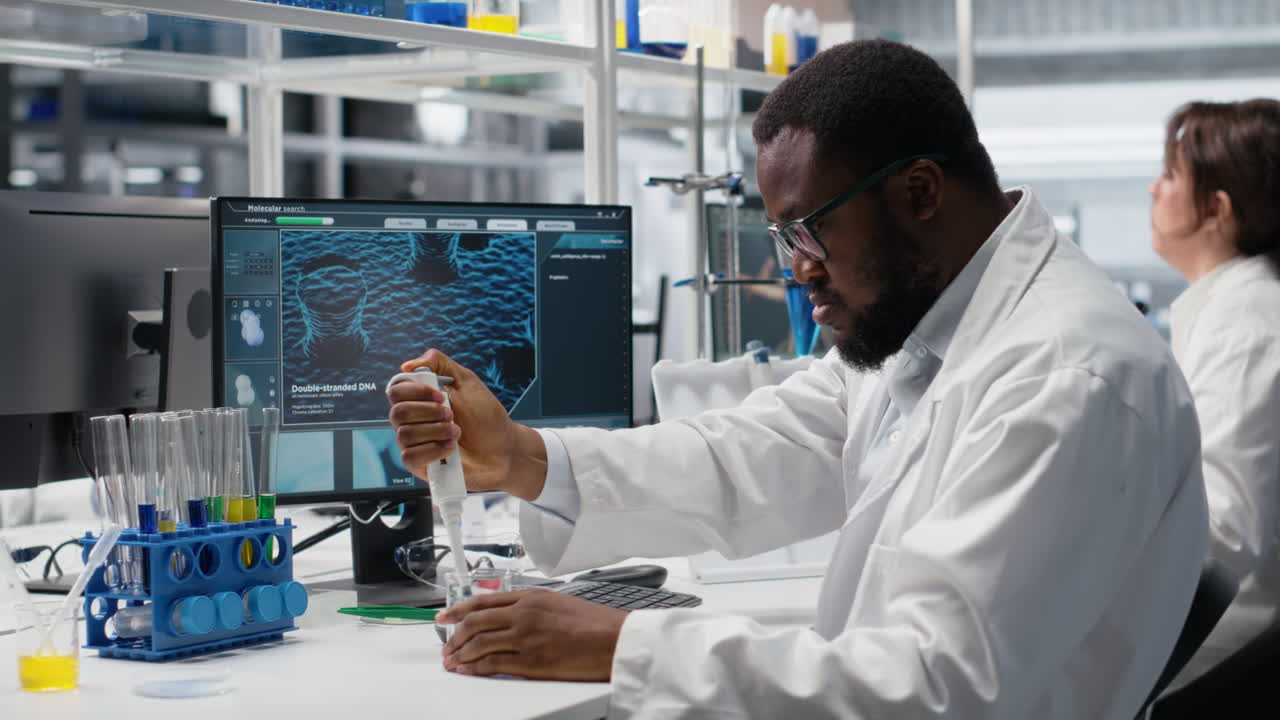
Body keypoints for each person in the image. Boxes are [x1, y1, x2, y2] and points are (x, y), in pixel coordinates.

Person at [388, 40, 1208, 718]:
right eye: (783, 237)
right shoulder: (931, 327)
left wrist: (618, 645)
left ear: (919, 191)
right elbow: (751, 451)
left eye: (810, 230)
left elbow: (942, 688)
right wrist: (523, 457)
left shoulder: (1069, 376)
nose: (799, 270)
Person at [1148, 99, 1280, 719]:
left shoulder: (1250, 322)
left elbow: (1224, 533)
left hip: (1236, 656)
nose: (1154, 187)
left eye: (1171, 175)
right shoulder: (1230, 309)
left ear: (1217, 211)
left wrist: (1127, 670)